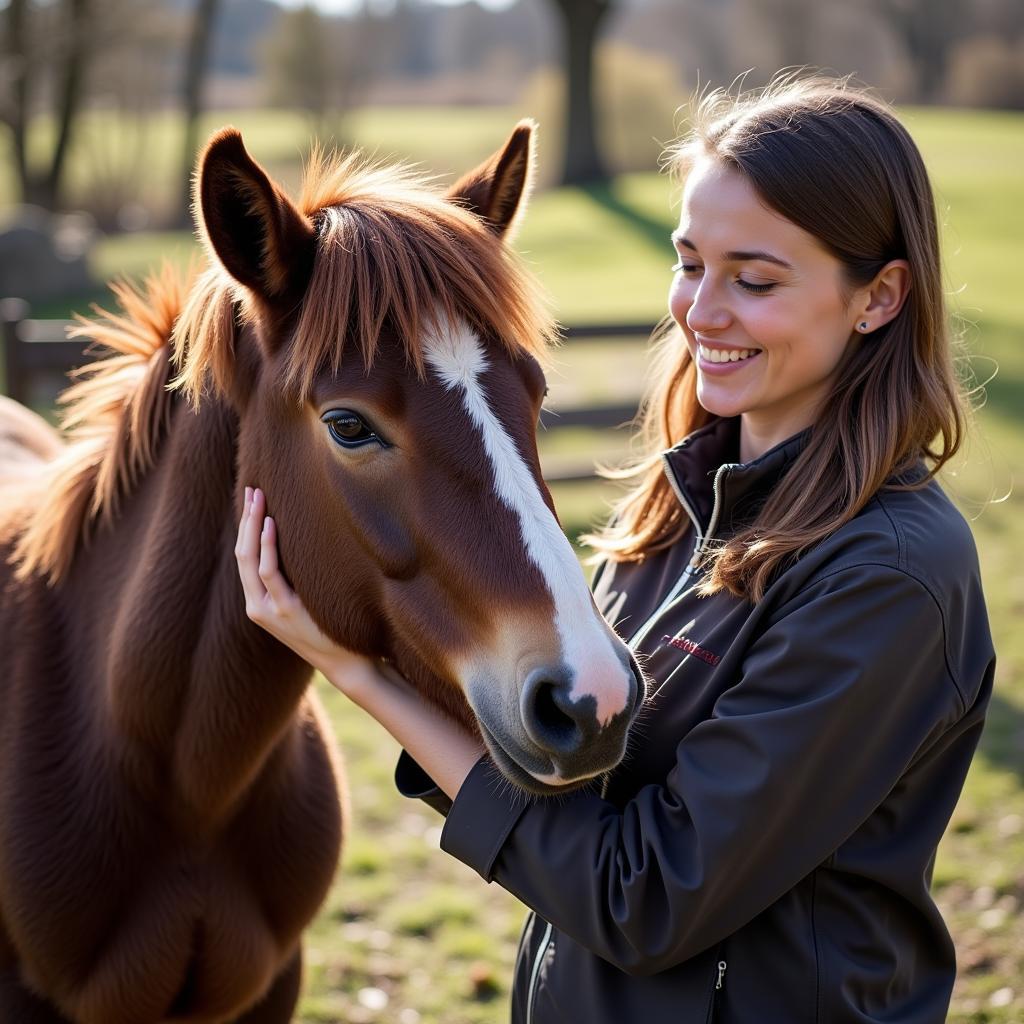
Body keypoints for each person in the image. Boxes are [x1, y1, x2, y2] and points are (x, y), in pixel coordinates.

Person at [234, 75, 995, 1024]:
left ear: (877, 298)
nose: (701, 313)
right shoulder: (677, 503)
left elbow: (648, 900)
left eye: (754, 280)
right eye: (689, 263)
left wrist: (364, 681)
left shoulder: (889, 575)